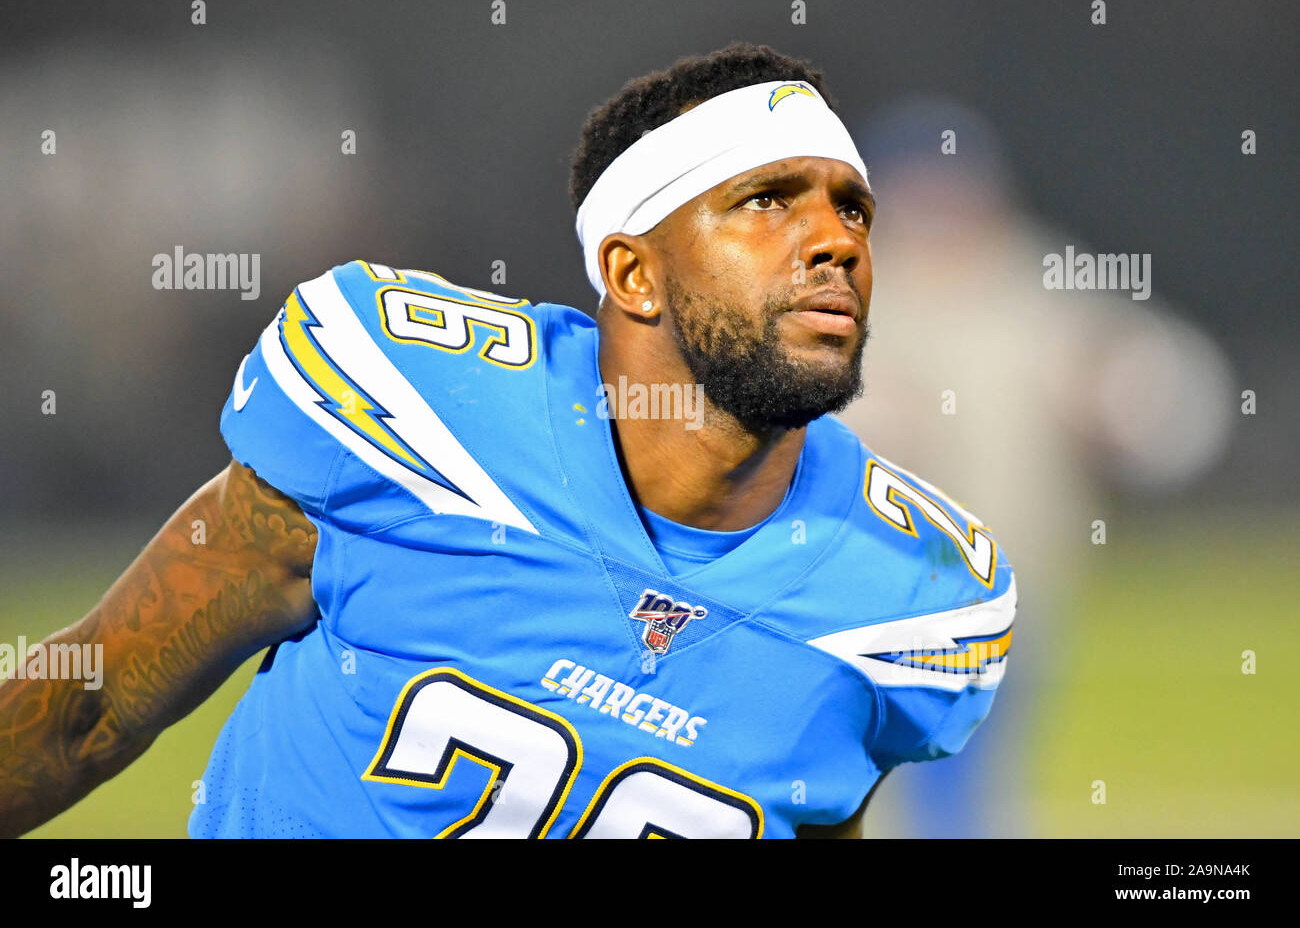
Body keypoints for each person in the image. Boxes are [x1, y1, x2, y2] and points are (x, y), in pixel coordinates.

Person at [0, 43, 1016, 839]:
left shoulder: (911, 592)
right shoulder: (414, 409)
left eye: (851, 208)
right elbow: (84, 708)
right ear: (632, 274)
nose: (836, 239)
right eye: (765, 201)